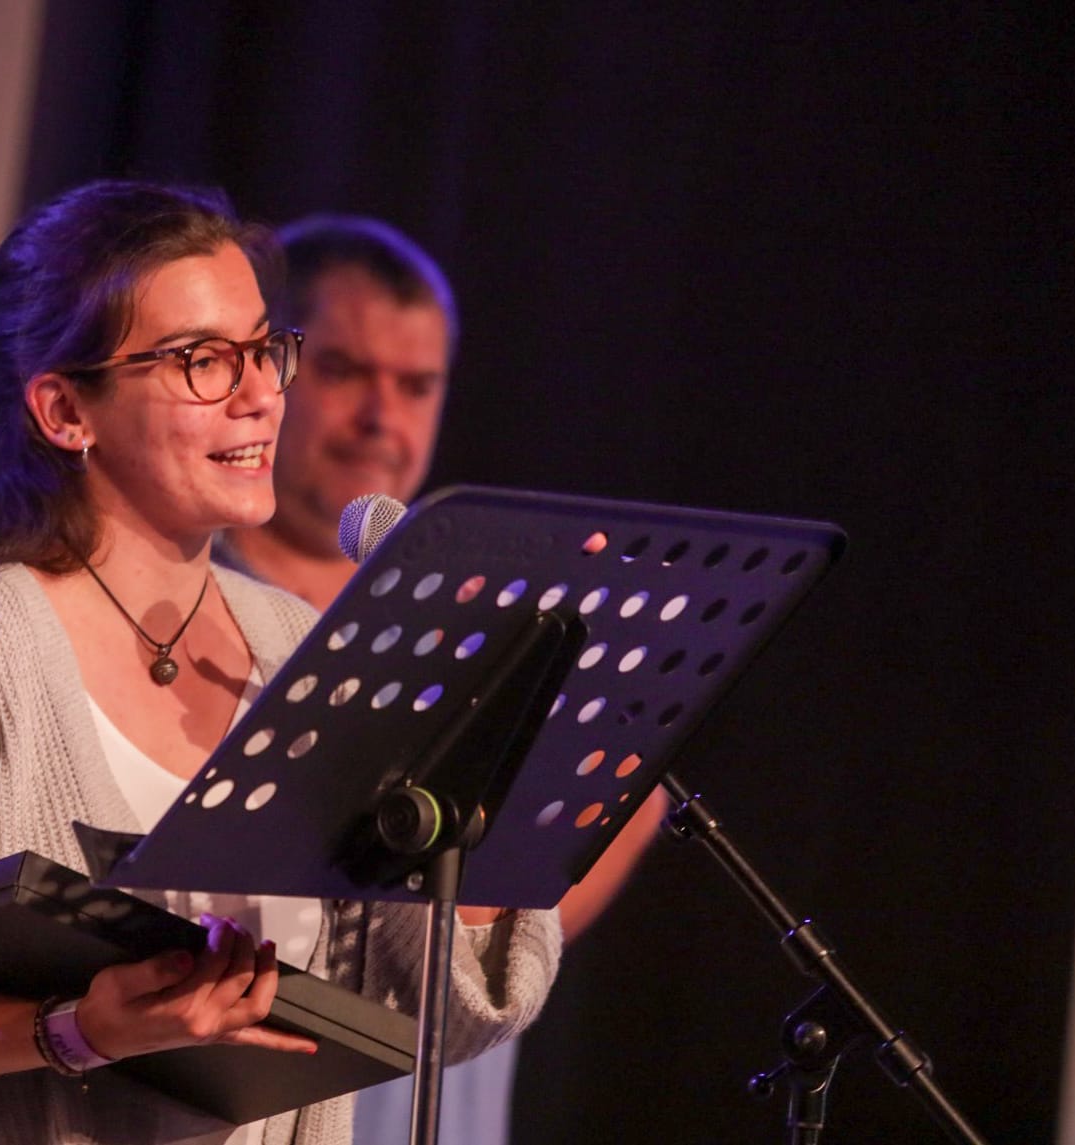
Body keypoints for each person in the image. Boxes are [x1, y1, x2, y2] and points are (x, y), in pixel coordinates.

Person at [0, 181, 561, 1145]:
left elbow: (447, 1016)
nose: (261, 394)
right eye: (201, 360)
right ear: (63, 409)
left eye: (263, 349)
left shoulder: (301, 649)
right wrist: (75, 1029)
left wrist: (504, 742)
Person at [220, 215, 670, 1144]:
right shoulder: (195, 589)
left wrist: (480, 934)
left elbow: (641, 790)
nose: (383, 416)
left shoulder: (478, 608)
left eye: (417, 385)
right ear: (271, 368)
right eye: (346, 372)